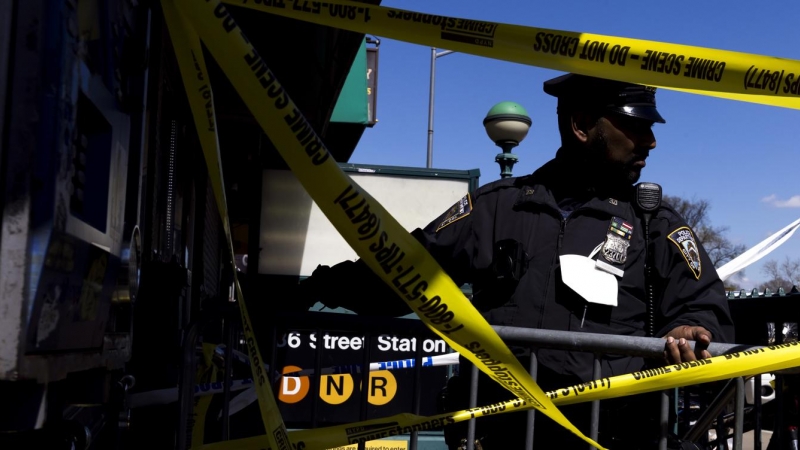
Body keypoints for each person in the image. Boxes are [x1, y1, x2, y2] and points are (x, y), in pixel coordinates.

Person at [299, 73, 735, 449]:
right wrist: (314, 288)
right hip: (502, 434)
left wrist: (694, 328)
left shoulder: (653, 222)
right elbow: (404, 272)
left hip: (609, 436)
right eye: (634, 124)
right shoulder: (496, 207)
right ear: (582, 124)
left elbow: (704, 307)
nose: (651, 140)